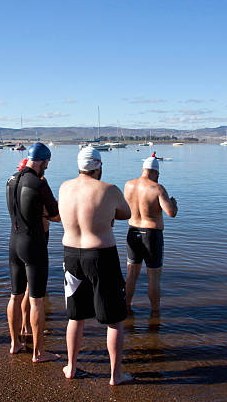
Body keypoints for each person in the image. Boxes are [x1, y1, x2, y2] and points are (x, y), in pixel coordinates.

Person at [58, 146, 132, 386]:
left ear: (79, 166)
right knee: (114, 319)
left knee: (75, 316)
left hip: (71, 255)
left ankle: (71, 366)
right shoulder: (108, 189)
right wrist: (106, 213)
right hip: (101, 255)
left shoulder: (64, 188)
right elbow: (126, 213)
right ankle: (115, 375)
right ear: (99, 166)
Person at [6, 143, 60, 361]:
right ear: (43, 161)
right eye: (47, 163)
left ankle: (14, 343)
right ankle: (38, 352)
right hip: (33, 244)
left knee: (15, 295)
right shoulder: (38, 183)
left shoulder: (11, 179)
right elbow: (56, 216)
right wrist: (45, 216)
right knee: (36, 299)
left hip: (14, 243)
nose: (47, 166)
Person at [123, 156, 177, 317]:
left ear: (143, 170)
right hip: (151, 235)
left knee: (131, 274)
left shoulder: (128, 185)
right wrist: (174, 203)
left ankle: (126, 308)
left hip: (132, 232)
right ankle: (155, 313)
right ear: (156, 173)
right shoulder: (157, 188)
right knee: (153, 278)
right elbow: (171, 213)